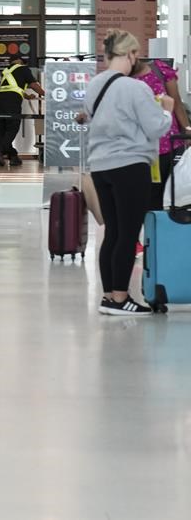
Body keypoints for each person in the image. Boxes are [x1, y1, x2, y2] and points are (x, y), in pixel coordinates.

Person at [84, 30, 173, 316]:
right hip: (130, 165)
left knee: (112, 231)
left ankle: (110, 296)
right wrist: (167, 110)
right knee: (128, 232)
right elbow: (156, 128)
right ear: (129, 54)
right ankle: (122, 299)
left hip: (101, 166)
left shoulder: (94, 85)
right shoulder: (135, 88)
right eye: (135, 54)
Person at [130, 59, 191, 209]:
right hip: (144, 149)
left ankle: (171, 228)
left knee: (175, 193)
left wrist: (187, 130)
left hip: (171, 143)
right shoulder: (124, 80)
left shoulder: (159, 69)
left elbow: (176, 102)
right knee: (151, 198)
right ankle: (155, 230)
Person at [0, 53, 44, 167]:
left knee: (4, 126)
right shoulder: (23, 69)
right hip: (12, 99)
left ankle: (13, 156)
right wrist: (46, 94)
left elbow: (13, 86)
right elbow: (33, 84)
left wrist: (26, 96)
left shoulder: (6, 70)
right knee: (13, 125)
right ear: (19, 60)